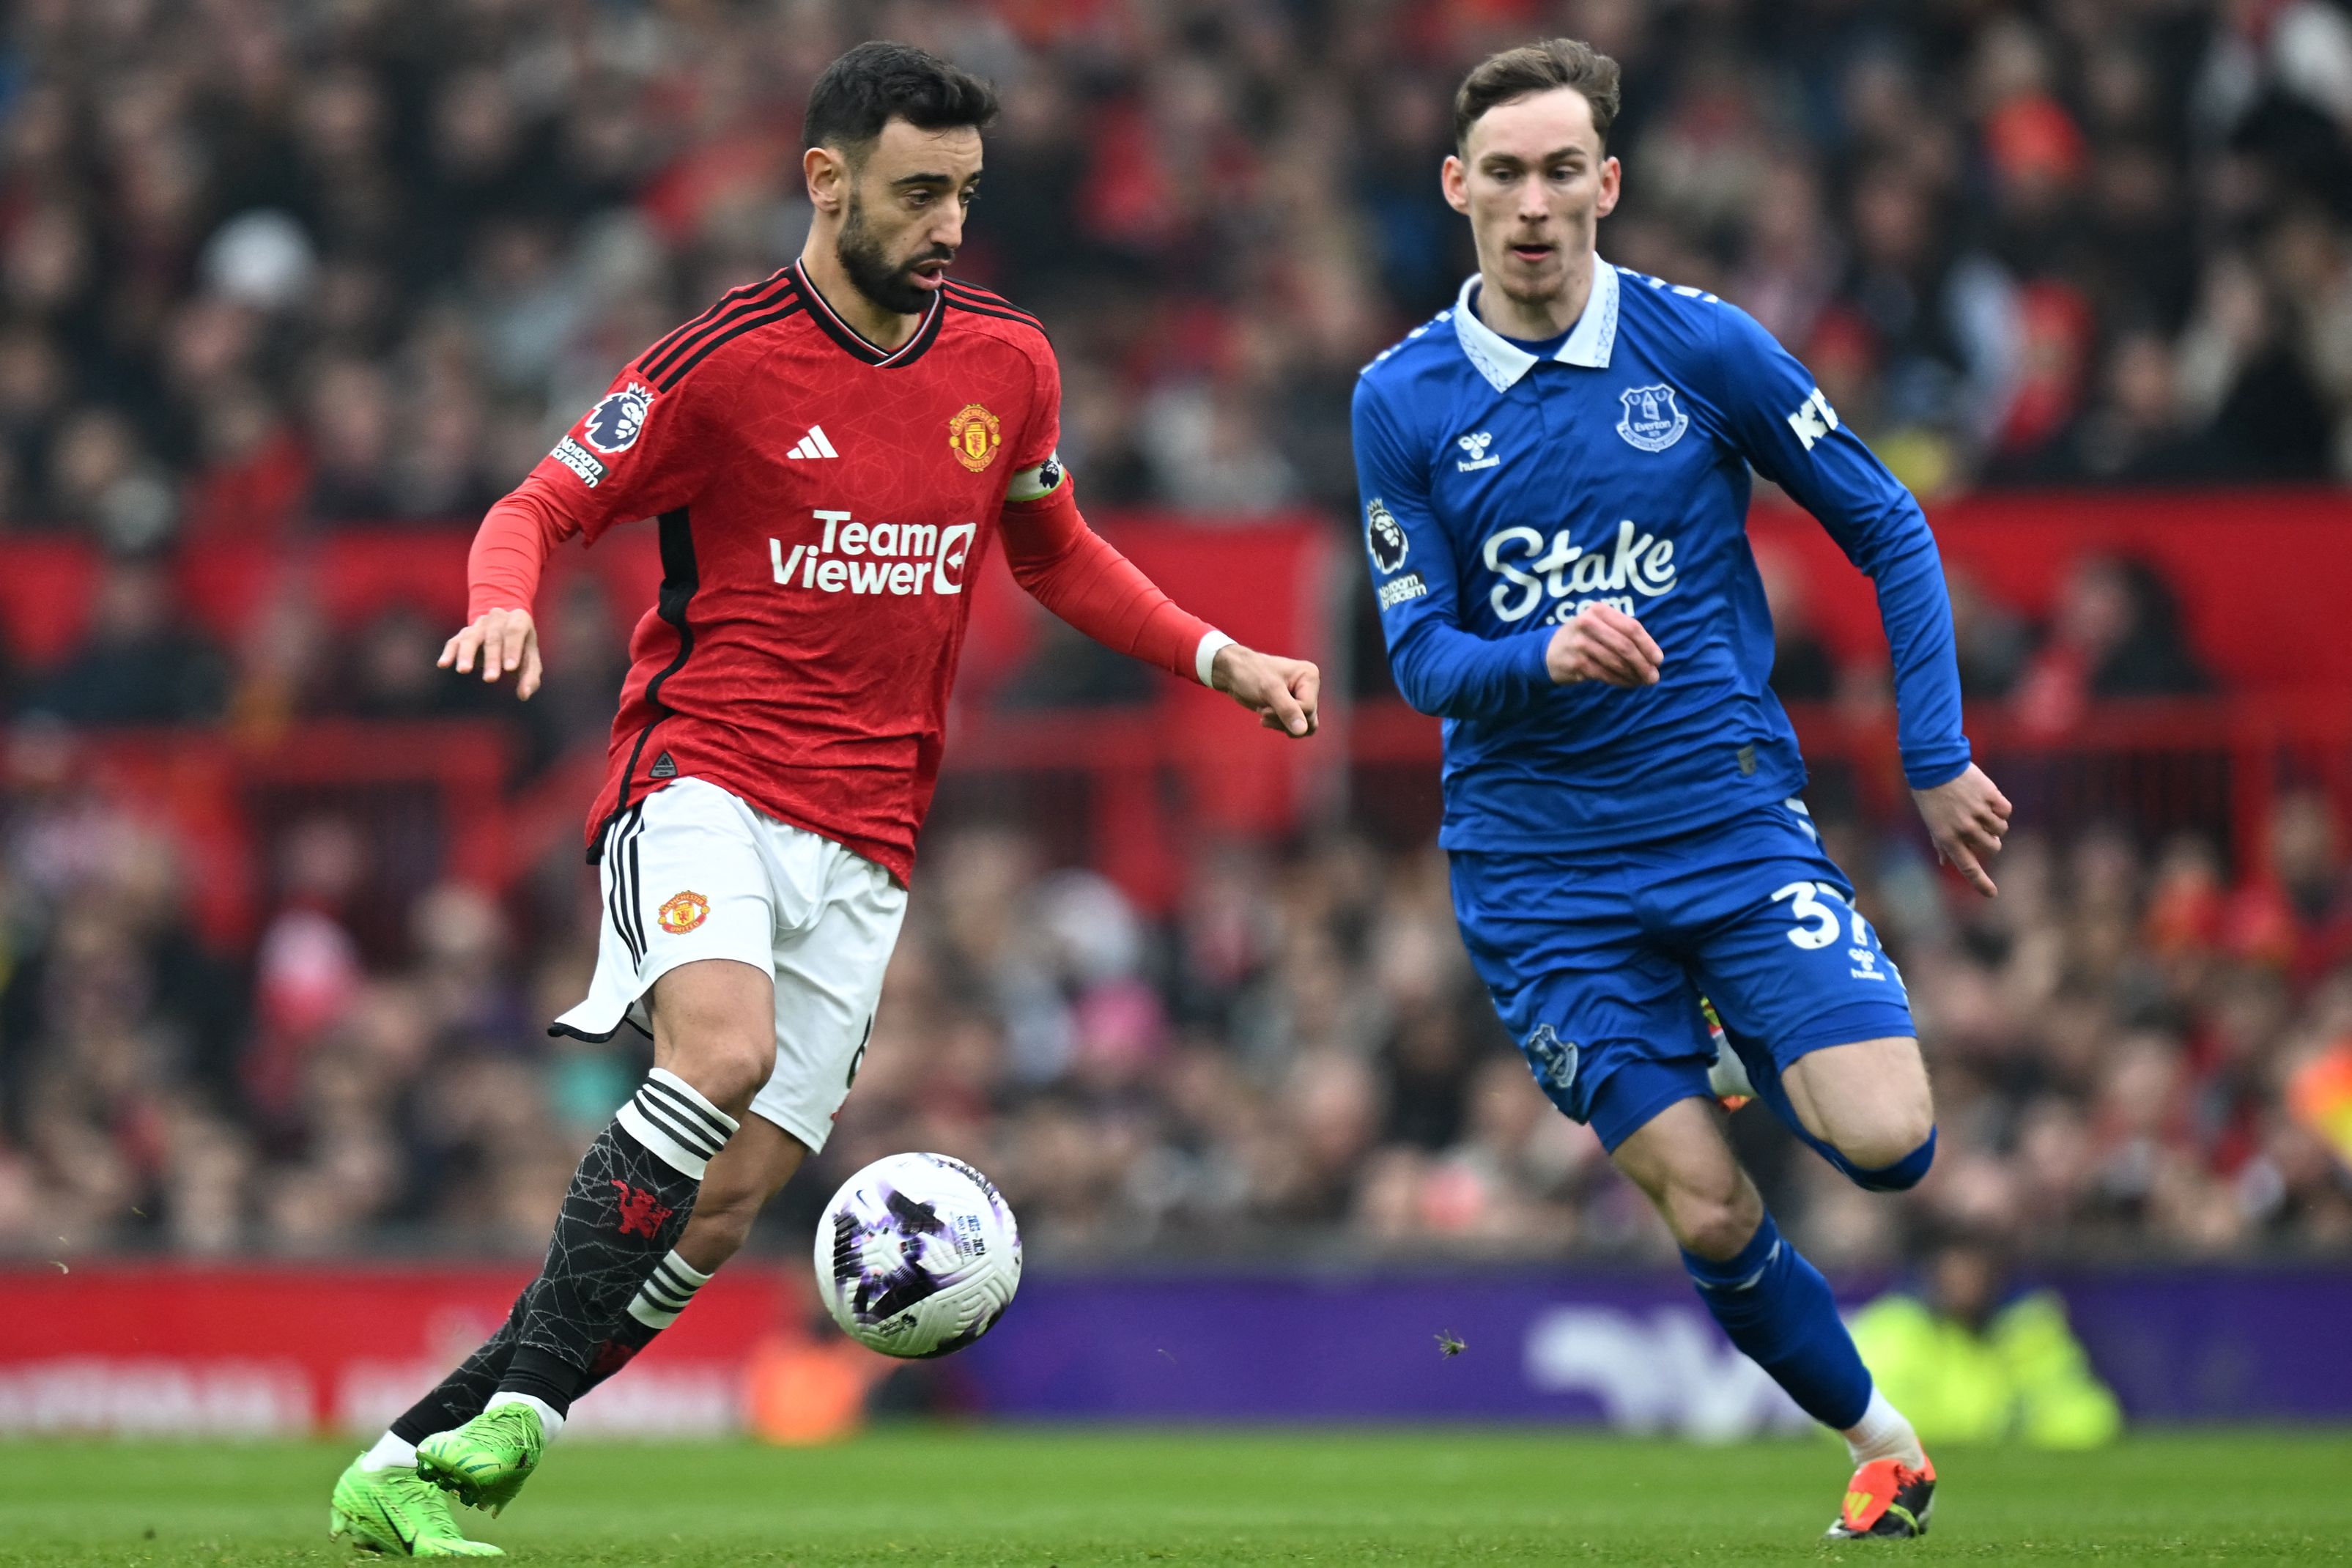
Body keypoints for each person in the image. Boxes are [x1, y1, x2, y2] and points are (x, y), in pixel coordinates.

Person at [328, 42, 1320, 1558]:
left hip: (868, 837)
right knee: (714, 1053)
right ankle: (521, 1420)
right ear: (827, 179)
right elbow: (539, 500)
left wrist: (1216, 652)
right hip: (705, 772)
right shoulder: (718, 360)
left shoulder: (1009, 362)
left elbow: (1052, 550)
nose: (946, 225)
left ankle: (409, 1454)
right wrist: (503, 597)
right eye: (918, 192)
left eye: (966, 197)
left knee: (720, 1209)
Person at [1352, 39, 2010, 1541]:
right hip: (1538, 875)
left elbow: (1892, 522)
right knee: (1707, 1202)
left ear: (1611, 183)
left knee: (1893, 1144)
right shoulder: (1399, 397)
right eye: (1503, 173)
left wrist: (1934, 754)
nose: (1533, 203)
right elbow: (1425, 661)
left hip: (1723, 821)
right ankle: (1879, 1436)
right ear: (1458, 189)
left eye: (1561, 170)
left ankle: (1736, 1017)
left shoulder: (1701, 349)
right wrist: (1545, 651)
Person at [1848, 1229, 2123, 1449]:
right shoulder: (1897, 1327)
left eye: (1975, 1271)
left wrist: (2013, 1432)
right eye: (1956, 1269)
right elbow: (1863, 1417)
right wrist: (2000, 1428)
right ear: (1933, 1274)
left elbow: (2089, 1418)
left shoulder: (2028, 1329)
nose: (1965, 1283)